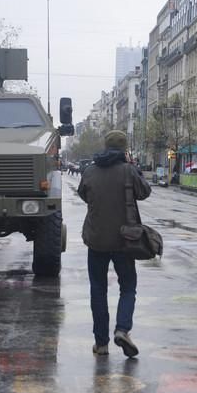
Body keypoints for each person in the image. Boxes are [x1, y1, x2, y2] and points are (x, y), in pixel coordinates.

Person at [78, 130, 152, 358]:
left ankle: (101, 344)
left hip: (96, 239)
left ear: (105, 146)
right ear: (124, 148)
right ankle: (122, 330)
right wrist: (134, 169)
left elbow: (83, 194)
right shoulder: (128, 170)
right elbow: (145, 192)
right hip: (124, 240)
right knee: (128, 287)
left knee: (98, 290)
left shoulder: (90, 170)